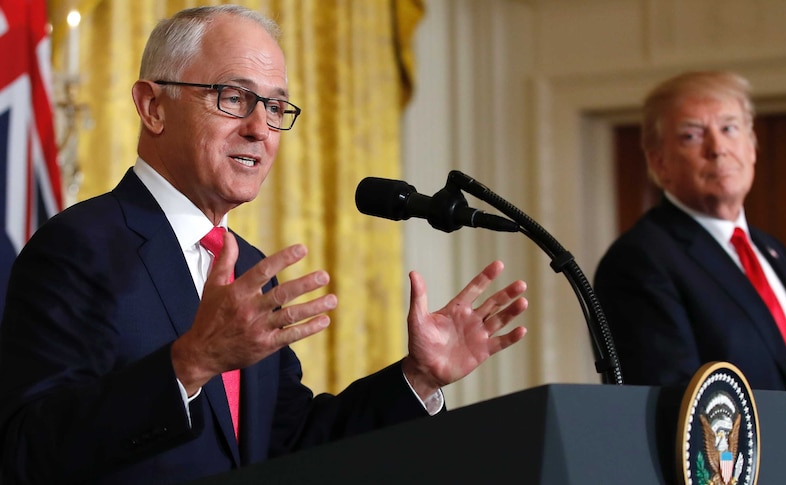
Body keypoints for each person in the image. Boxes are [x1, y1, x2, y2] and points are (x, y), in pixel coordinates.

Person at [0, 6, 528, 484]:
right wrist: (189, 363)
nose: (262, 129)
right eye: (234, 98)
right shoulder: (79, 247)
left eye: (276, 108)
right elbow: (26, 452)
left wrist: (417, 378)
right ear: (153, 106)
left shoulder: (249, 268)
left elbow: (290, 446)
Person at [593, 70, 786, 468]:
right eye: (692, 135)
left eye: (730, 127)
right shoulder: (640, 260)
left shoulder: (772, 252)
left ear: (752, 146)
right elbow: (676, 407)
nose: (717, 148)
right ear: (659, 162)